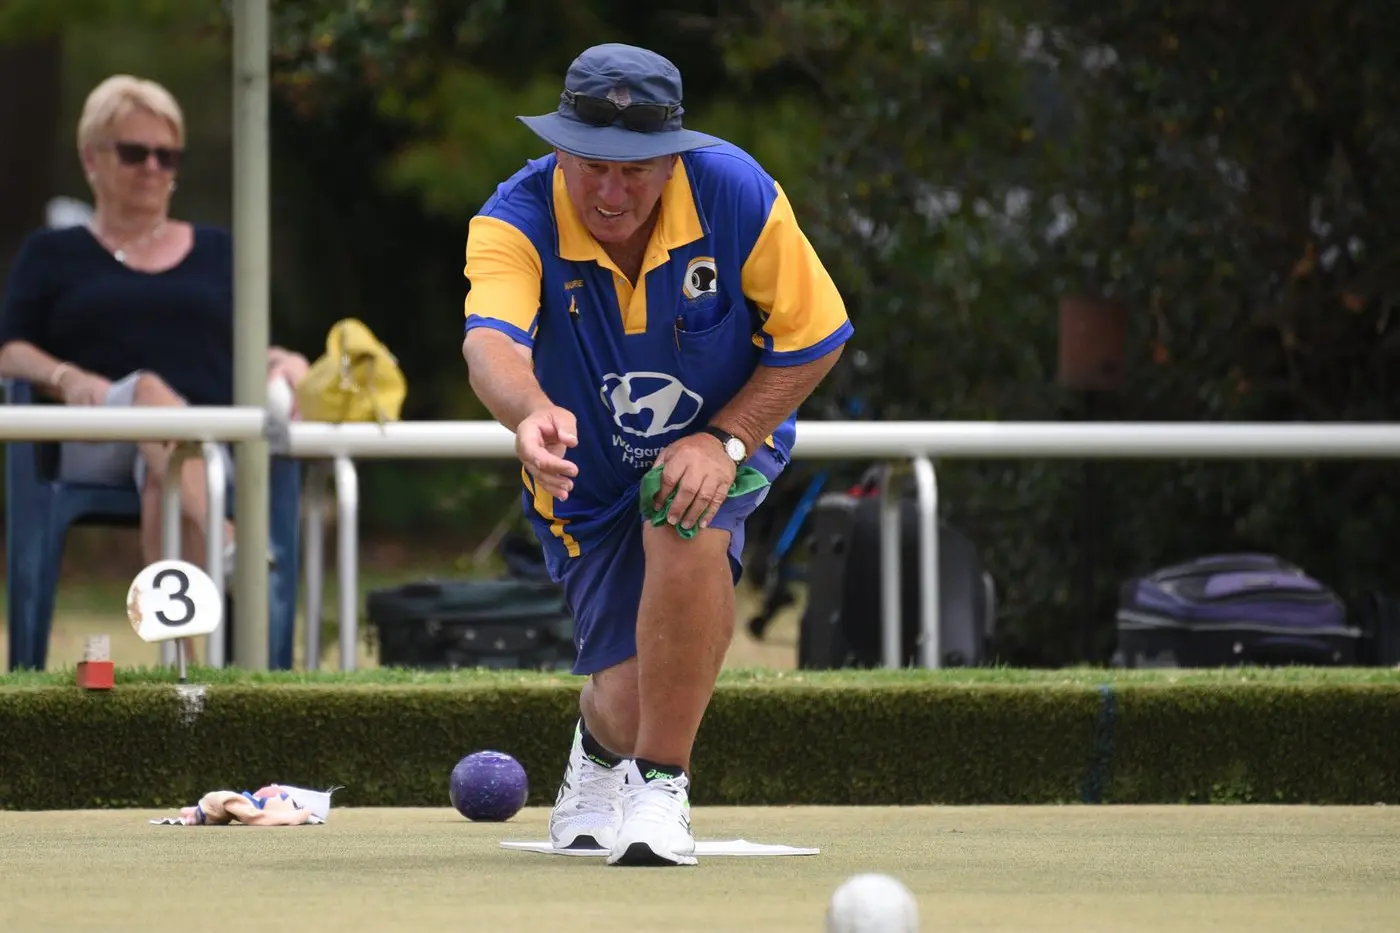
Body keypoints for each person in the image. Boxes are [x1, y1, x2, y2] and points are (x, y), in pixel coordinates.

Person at [461, 44, 853, 866]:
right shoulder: (512, 216)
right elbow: (490, 341)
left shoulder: (737, 191)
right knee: (628, 688)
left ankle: (661, 785)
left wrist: (726, 437)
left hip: (724, 434)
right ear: (561, 146)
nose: (611, 191)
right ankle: (598, 757)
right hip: (584, 469)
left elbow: (813, 337)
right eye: (591, 164)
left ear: (672, 156)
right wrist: (529, 411)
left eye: (635, 168)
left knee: (685, 517)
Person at [0, 75, 309, 578]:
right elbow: (8, 350)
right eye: (134, 152)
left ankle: (184, 658)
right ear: (90, 159)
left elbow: (248, 347)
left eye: (166, 156)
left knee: (165, 469)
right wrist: (66, 377)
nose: (152, 167)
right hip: (97, 431)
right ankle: (228, 541)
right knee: (148, 392)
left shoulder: (218, 251)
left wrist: (284, 360)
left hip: (209, 440)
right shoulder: (52, 252)